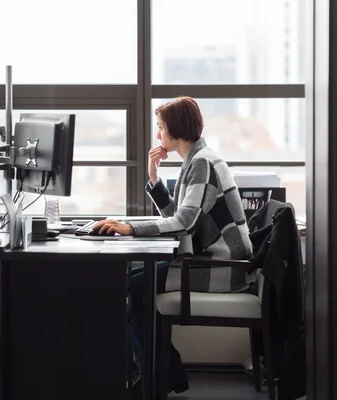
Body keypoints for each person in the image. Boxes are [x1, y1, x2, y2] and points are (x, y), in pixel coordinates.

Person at [93, 96, 254, 395]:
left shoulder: (203, 163)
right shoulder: (196, 160)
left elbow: (184, 223)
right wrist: (154, 180)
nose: (157, 135)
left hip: (221, 268)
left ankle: (158, 375)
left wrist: (131, 229)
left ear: (174, 129)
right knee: (131, 285)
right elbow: (181, 220)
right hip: (208, 261)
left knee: (134, 288)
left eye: (160, 127)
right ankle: (164, 373)